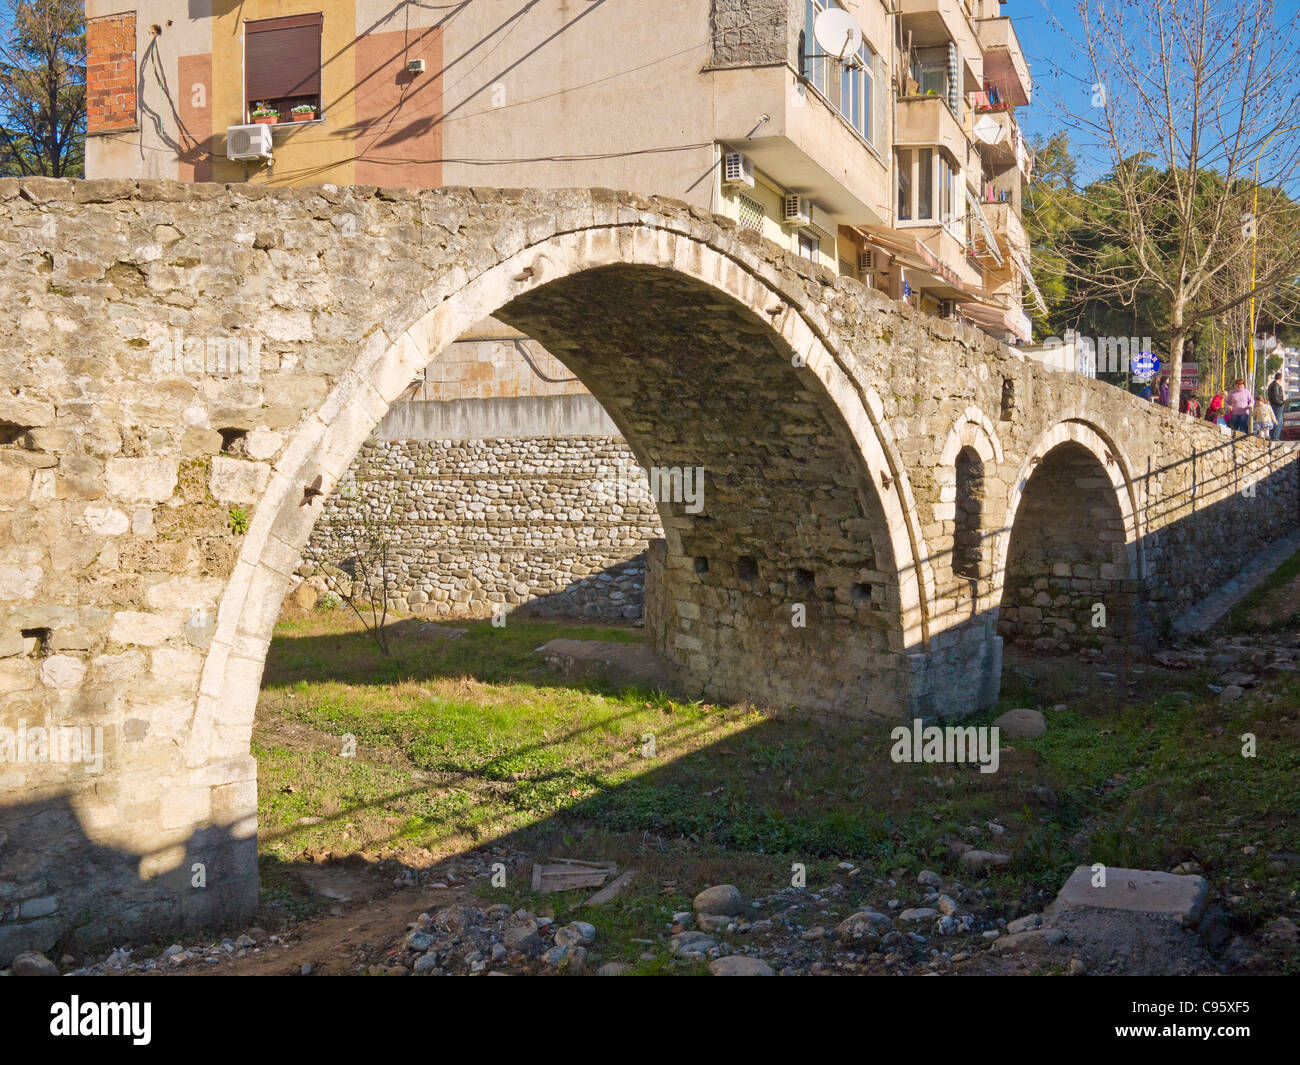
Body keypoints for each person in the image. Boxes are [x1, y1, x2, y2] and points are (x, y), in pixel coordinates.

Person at [1268, 372, 1286, 441]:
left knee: (1276, 421)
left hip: (1275, 405)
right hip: (1277, 406)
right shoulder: (1275, 385)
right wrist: (1282, 403)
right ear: (1280, 378)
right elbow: (1275, 398)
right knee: (1278, 421)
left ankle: (1274, 436)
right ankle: (1275, 437)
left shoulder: (1272, 385)